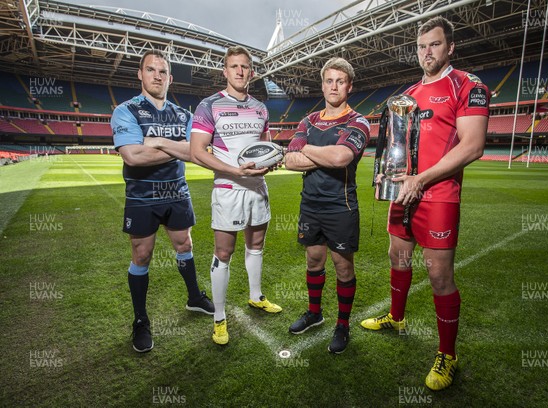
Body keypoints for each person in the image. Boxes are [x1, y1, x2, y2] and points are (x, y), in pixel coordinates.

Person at [360, 16, 489, 390]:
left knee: (438, 275)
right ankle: (396, 318)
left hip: (438, 195)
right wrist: (388, 172)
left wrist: (421, 180)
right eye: (421, 46)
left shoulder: (467, 85)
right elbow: (399, 148)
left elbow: (473, 145)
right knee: (397, 256)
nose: (426, 52)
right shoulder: (409, 94)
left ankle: (448, 355)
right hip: (404, 193)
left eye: (434, 45)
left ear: (449, 47)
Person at [111, 49, 215, 353]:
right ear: (140, 74)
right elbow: (132, 155)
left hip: (177, 192)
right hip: (142, 195)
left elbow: (195, 154)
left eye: (162, 71)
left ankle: (194, 297)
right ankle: (141, 321)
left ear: (170, 77)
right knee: (141, 255)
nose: (157, 76)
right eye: (151, 70)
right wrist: (177, 148)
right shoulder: (126, 110)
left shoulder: (184, 115)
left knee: (185, 245)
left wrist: (155, 142)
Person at [189, 46, 282, 346]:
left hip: (257, 189)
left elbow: (266, 149)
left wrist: (269, 165)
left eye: (245, 66)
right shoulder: (209, 105)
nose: (240, 71)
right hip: (229, 190)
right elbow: (196, 151)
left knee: (256, 246)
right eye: (234, 66)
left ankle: (256, 297)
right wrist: (235, 171)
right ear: (225, 71)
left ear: (252, 72)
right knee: (224, 253)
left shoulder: (261, 108)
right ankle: (219, 317)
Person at [285, 57, 370, 354]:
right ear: (322, 85)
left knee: (342, 267)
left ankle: (342, 324)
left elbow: (341, 158)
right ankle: (315, 313)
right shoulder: (308, 120)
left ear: (349, 86)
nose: (334, 86)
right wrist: (321, 152)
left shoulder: (358, 121)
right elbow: (289, 160)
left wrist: (304, 147)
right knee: (314, 261)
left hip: (341, 207)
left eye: (340, 81)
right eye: (329, 80)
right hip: (310, 205)